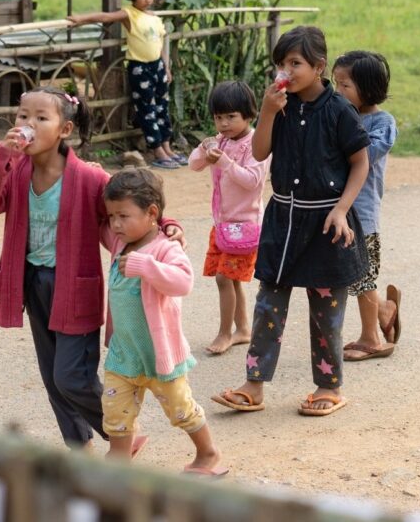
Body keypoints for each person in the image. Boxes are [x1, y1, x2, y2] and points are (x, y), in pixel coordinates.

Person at [0, 86, 185, 450]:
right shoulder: (16, 171)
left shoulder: (87, 177)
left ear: (64, 130)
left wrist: (165, 225)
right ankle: (77, 443)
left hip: (74, 288)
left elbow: (131, 200)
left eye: (41, 118)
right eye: (23, 116)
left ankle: (120, 434)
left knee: (72, 377)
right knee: (53, 377)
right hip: (32, 283)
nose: (28, 124)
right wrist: (1, 159)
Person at [211, 26, 370, 417]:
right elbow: (261, 149)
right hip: (284, 219)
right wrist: (266, 112)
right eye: (280, 63)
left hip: (327, 222)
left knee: (326, 311)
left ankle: (328, 386)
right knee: (269, 304)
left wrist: (340, 209)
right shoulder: (280, 106)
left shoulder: (339, 110)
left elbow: (360, 162)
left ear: (318, 67)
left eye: (294, 63)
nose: (285, 70)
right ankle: (253, 386)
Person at [102, 168, 227, 476]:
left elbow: (183, 282)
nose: (115, 224)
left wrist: (147, 265)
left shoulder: (164, 248)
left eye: (123, 216)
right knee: (115, 410)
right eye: (111, 216)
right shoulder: (121, 242)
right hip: (124, 354)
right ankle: (119, 459)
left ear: (152, 213)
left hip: (159, 355)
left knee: (181, 408)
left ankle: (208, 453)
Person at [67, 0, 186, 169]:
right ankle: (157, 150)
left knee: (162, 107)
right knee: (147, 109)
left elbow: (160, 44)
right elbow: (106, 16)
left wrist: (167, 67)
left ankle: (167, 146)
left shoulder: (154, 18)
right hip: (140, 68)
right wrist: (81, 19)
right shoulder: (129, 14)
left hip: (157, 67)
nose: (148, 0)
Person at [188, 81, 269, 356]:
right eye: (218, 117)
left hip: (245, 225)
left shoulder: (256, 144)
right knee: (230, 279)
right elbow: (193, 165)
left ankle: (225, 333)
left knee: (224, 278)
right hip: (222, 224)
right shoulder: (221, 141)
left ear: (249, 114)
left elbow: (253, 181)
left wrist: (223, 162)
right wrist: (204, 149)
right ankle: (243, 328)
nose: (223, 123)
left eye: (231, 116)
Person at [331, 51, 401, 361]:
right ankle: (384, 310)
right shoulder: (340, 114)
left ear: (368, 88)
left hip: (363, 214)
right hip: (337, 211)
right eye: (335, 85)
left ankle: (372, 338)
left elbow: (363, 155)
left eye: (345, 86)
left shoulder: (383, 122)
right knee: (348, 275)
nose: (338, 92)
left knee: (362, 275)